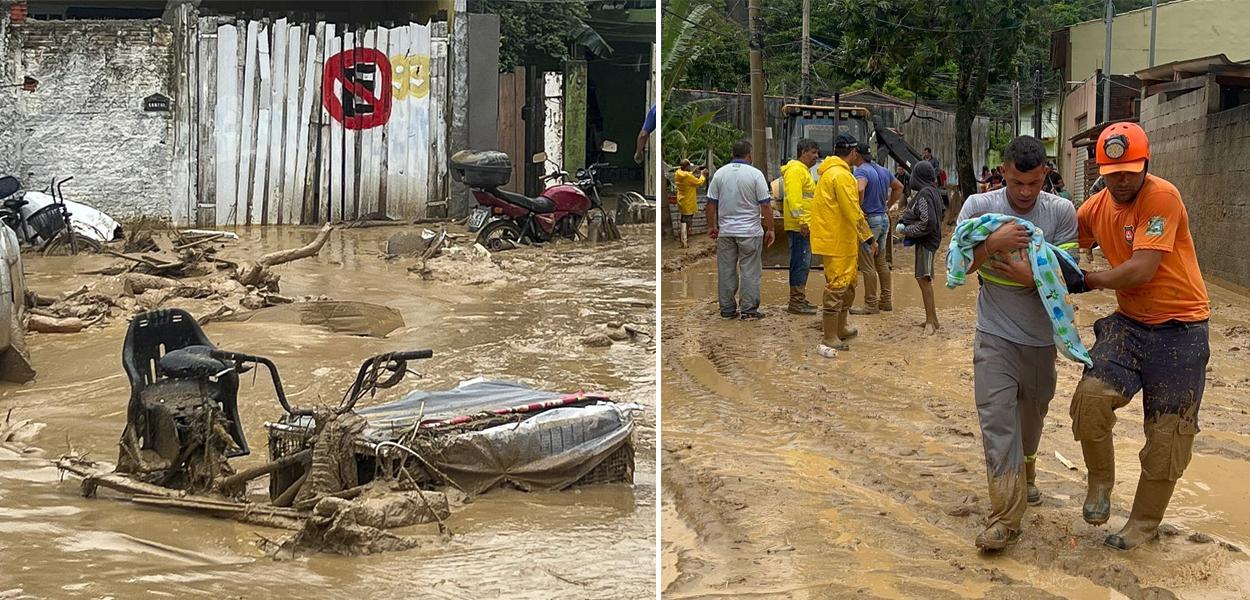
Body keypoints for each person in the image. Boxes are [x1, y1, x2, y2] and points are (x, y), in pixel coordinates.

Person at [1068, 122, 1210, 551]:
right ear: (1101, 170)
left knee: (1169, 434)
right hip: (1129, 323)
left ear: (1146, 164)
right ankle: (1100, 481)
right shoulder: (1093, 208)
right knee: (1090, 400)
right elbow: (1063, 240)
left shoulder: (1161, 197)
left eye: (1131, 169)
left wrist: (1088, 279)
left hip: (1181, 329)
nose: (1123, 179)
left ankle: (1144, 522)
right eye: (1114, 172)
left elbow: (1142, 269)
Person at [955, 135, 1079, 551]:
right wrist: (993, 244)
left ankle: (1027, 471)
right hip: (994, 334)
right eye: (1017, 184)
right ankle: (1005, 519)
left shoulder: (1061, 212)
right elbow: (958, 265)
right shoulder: (979, 208)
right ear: (1003, 172)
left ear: (1045, 174)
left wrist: (1031, 277)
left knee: (1032, 418)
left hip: (1042, 341)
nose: (1025, 194)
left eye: (1033, 184)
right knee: (997, 422)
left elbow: (1069, 279)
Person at [810, 134, 876, 358]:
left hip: (837, 238)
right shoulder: (842, 176)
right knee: (838, 286)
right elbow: (851, 209)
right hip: (838, 240)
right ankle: (830, 335)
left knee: (848, 283)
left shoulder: (829, 173)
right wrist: (868, 237)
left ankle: (840, 327)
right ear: (854, 152)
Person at [706, 140, 775, 320]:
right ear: (749, 155)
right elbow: (766, 205)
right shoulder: (755, 175)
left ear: (732, 154)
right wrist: (771, 229)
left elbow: (710, 204)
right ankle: (748, 310)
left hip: (726, 232)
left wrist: (712, 226)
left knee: (726, 270)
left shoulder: (719, 174)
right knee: (750, 271)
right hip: (750, 232)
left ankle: (727, 310)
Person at [851, 143, 902, 314]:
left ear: (856, 154)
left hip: (870, 220)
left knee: (867, 263)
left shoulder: (861, 171)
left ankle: (870, 304)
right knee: (881, 261)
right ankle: (886, 300)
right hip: (884, 219)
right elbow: (899, 187)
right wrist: (888, 205)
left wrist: (859, 209)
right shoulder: (882, 170)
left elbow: (859, 188)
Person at [896, 160, 943, 335]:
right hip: (929, 240)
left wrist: (907, 230)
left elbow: (927, 221)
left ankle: (931, 321)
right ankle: (933, 318)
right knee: (923, 278)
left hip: (927, 241)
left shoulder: (924, 194)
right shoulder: (933, 191)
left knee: (924, 279)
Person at [780, 138, 821, 314]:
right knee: (800, 262)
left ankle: (799, 299)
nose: (816, 156)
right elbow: (794, 198)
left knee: (803, 262)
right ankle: (796, 302)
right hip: (800, 226)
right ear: (803, 152)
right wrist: (803, 221)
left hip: (803, 225)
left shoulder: (803, 171)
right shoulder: (796, 170)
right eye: (813, 152)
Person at [672, 159, 707, 248]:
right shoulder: (687, 176)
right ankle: (684, 241)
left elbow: (687, 176)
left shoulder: (678, 173)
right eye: (689, 167)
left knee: (683, 219)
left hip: (681, 200)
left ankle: (682, 238)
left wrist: (693, 171)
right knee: (688, 221)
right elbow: (699, 182)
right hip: (688, 201)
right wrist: (703, 175)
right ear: (686, 167)